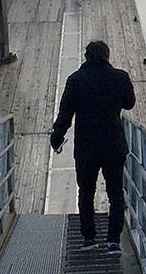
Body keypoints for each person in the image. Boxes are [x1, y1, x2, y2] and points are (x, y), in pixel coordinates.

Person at [49, 40, 136, 251]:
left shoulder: (76, 80)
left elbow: (65, 115)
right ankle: (113, 241)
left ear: (86, 57)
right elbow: (129, 103)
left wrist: (57, 138)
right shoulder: (120, 77)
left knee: (86, 192)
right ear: (107, 56)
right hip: (114, 147)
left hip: (86, 149)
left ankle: (89, 238)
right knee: (116, 194)